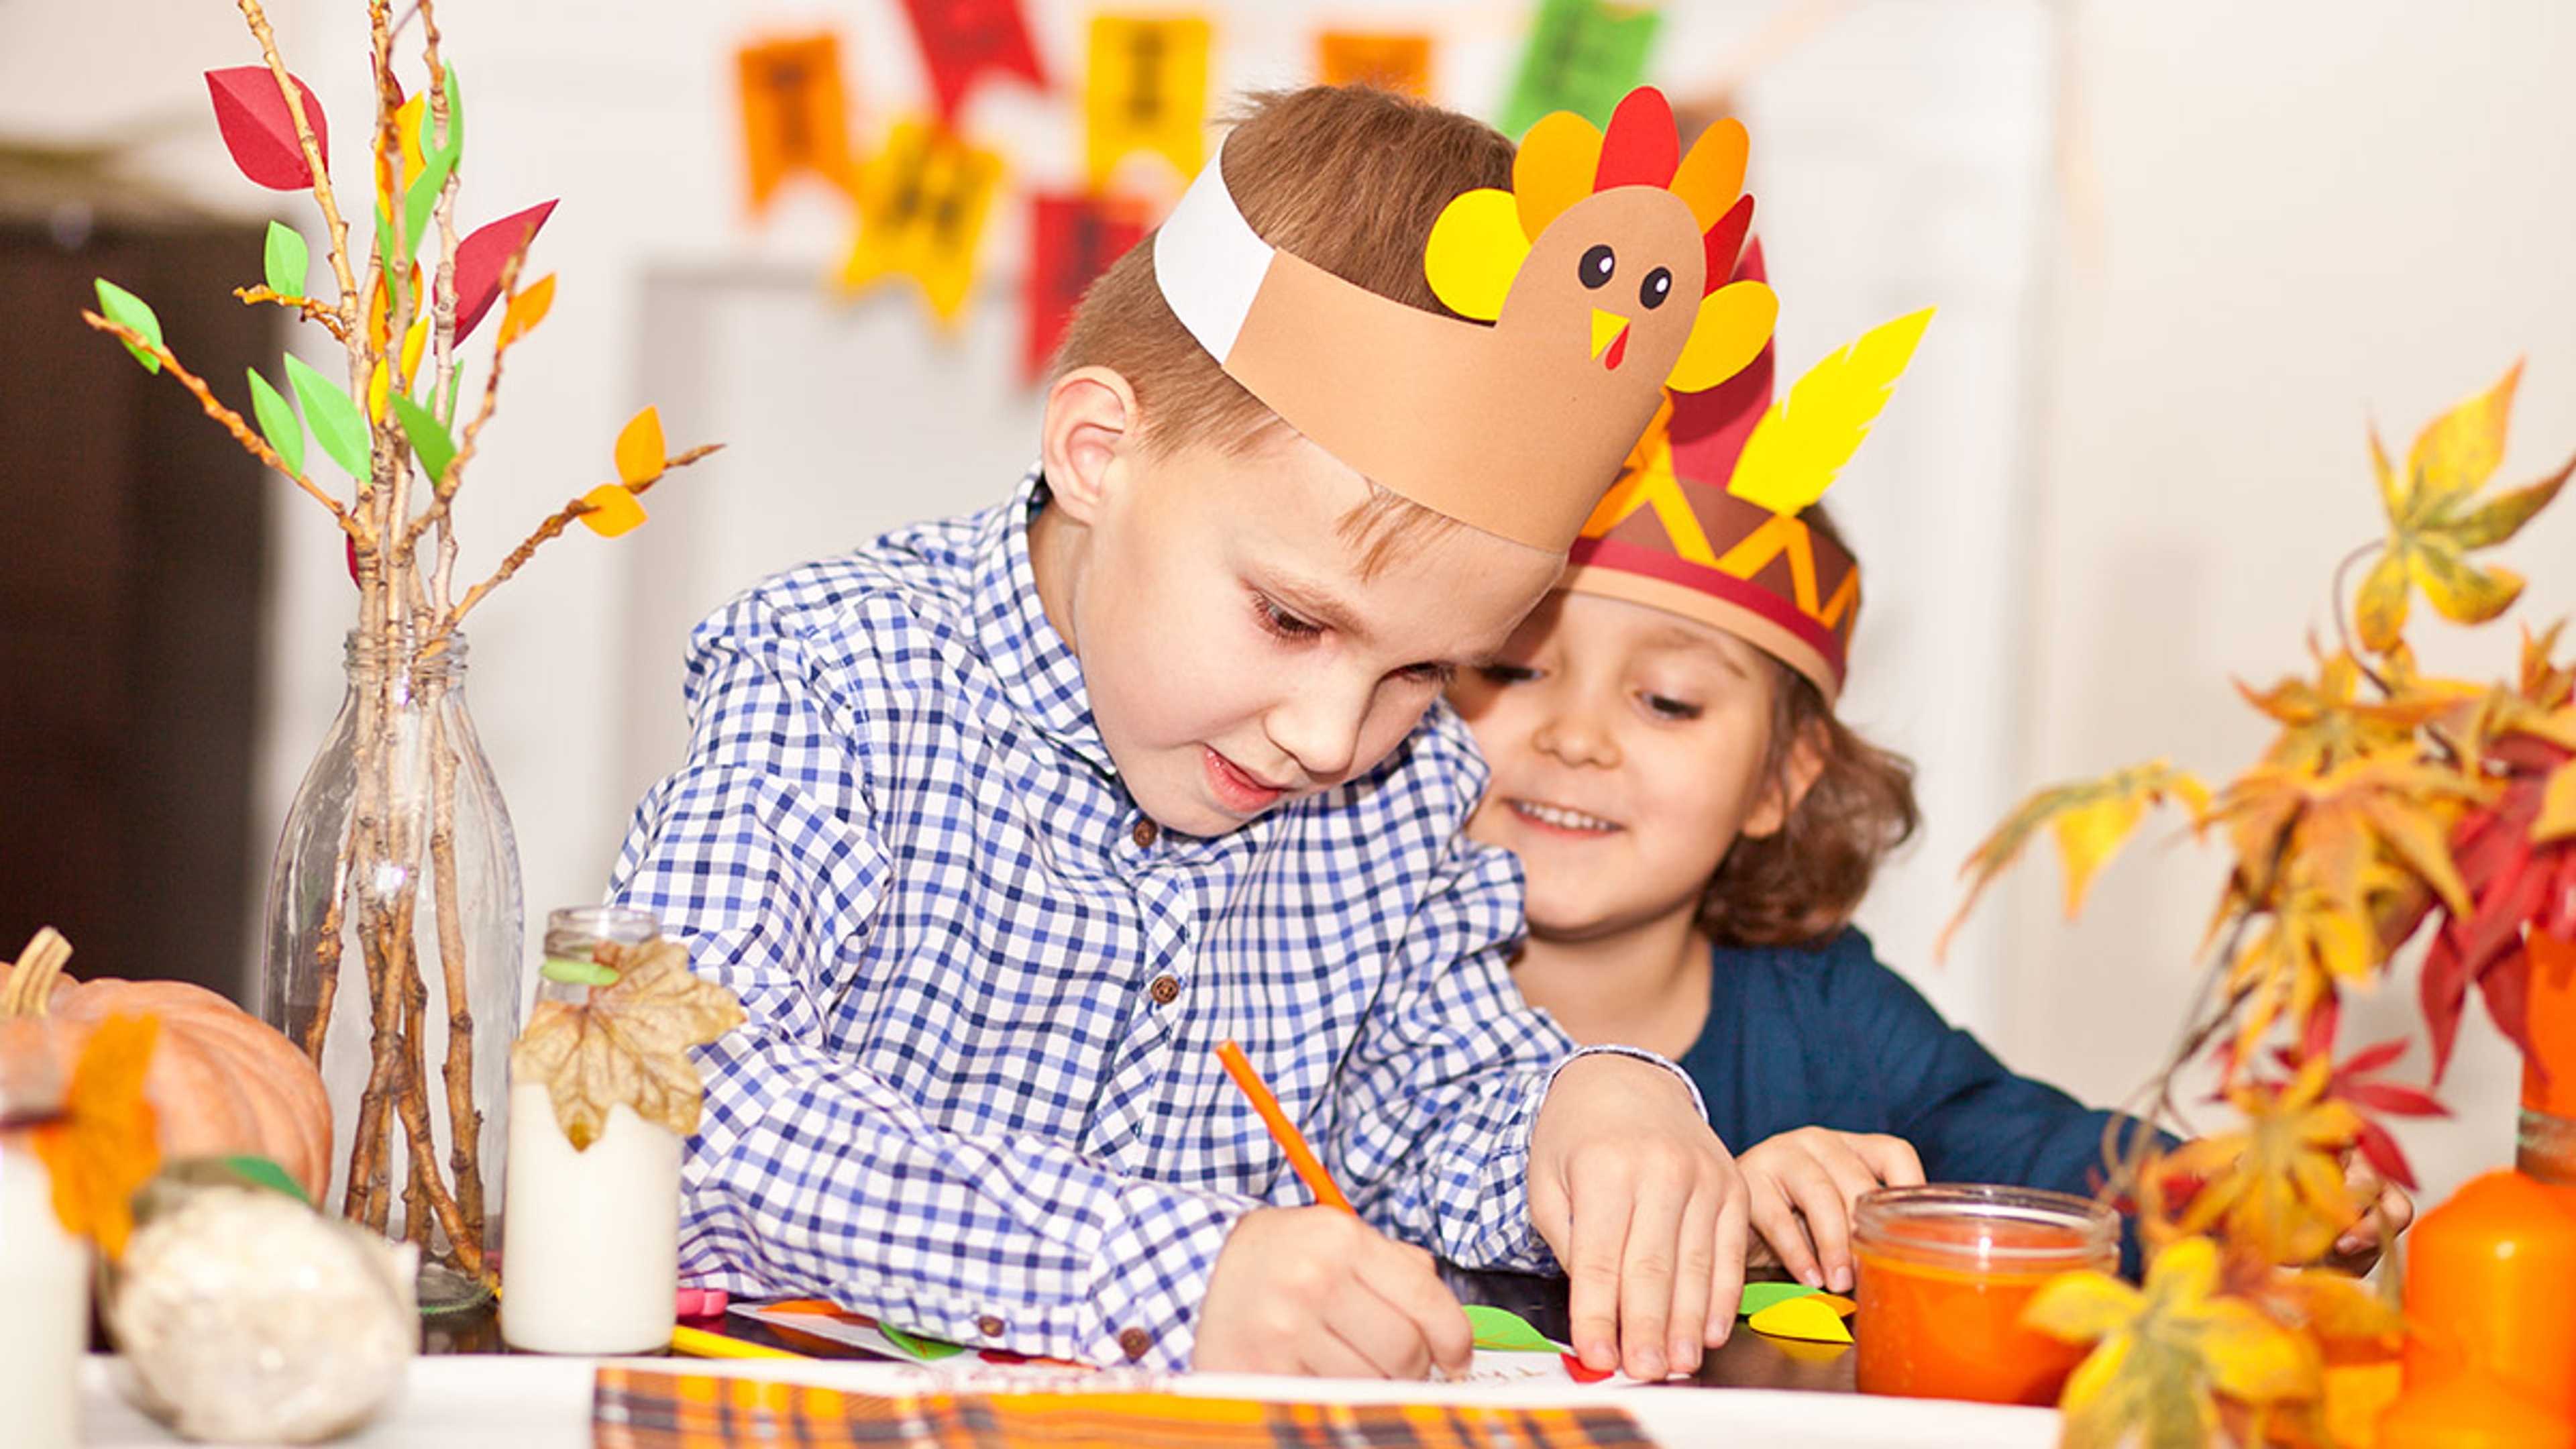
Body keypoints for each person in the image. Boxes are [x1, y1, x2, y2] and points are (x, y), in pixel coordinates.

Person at [606, 84, 1785, 1381]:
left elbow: (1432, 1108)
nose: (1332, 739)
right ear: (1098, 452)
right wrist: (1162, 1275)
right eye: (1290, 618)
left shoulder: (1405, 785)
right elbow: (661, 1092)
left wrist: (1590, 1108)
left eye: (1427, 670)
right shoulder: (841, 676)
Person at [1448, 281, 2413, 1295]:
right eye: (1512, 669)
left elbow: (2035, 1157)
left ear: (1780, 780)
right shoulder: (1360, 985)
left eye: (1668, 701)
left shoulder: (1831, 1014)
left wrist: (2218, 1200)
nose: (1575, 736)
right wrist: (1725, 1210)